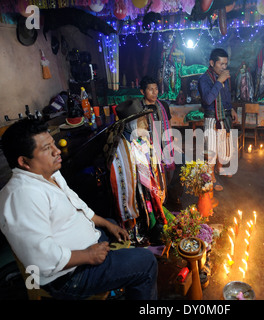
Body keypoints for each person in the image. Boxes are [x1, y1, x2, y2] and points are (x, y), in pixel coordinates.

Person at [0, 118, 158, 300]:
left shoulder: (48, 173)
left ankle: (120, 279)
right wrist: (88, 256)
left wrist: (106, 224)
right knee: (146, 263)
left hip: (83, 250)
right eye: (46, 149)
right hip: (69, 276)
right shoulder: (22, 196)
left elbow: (78, 205)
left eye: (53, 144)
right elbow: (41, 259)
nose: (57, 151)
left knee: (113, 224)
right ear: (24, 162)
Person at [139, 75, 183, 208]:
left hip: (165, 145)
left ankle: (173, 196)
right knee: (157, 172)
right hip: (149, 148)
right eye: (150, 89)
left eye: (156, 89)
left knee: (182, 162)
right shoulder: (140, 109)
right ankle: (159, 202)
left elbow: (169, 125)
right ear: (142, 92)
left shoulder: (163, 105)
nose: (154, 92)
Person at [198, 48, 238, 191]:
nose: (224, 67)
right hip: (211, 117)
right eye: (221, 64)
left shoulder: (224, 76)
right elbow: (208, 100)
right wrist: (219, 81)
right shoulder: (204, 79)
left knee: (223, 145)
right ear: (212, 63)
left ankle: (220, 168)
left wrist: (231, 108)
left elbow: (226, 96)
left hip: (223, 116)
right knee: (211, 149)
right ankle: (211, 176)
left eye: (225, 64)